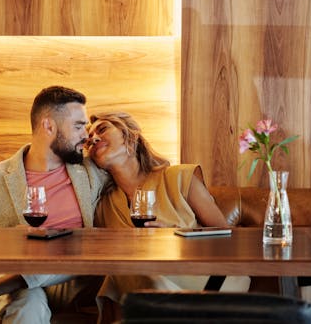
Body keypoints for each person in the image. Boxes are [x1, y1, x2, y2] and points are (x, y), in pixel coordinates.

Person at [0, 85, 108, 323]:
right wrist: (10, 243)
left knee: (77, 244)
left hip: (72, 283)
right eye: (78, 126)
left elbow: (136, 162)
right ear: (48, 126)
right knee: (29, 305)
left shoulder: (92, 172)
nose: (86, 135)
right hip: (11, 282)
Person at [85, 110, 250, 322]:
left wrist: (177, 237)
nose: (93, 138)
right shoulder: (103, 205)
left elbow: (229, 237)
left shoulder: (179, 177)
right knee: (123, 270)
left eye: (103, 128)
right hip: (145, 283)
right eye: (89, 138)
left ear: (131, 136)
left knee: (126, 271)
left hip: (208, 277)